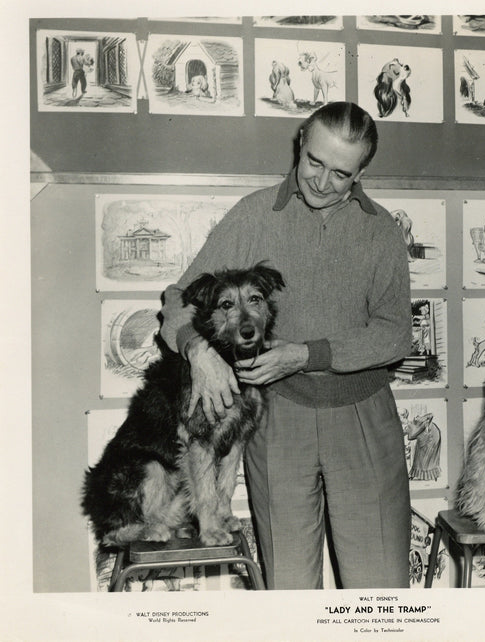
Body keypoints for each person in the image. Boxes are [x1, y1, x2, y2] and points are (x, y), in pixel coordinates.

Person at [159, 102, 413, 589]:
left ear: (362, 172)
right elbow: (179, 298)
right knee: (289, 586)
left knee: (380, 592)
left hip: (363, 417)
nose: (322, 181)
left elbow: (395, 332)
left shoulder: (381, 230)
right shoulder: (254, 214)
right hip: (277, 418)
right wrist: (198, 351)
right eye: (315, 161)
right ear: (300, 142)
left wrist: (306, 354)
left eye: (341, 173)